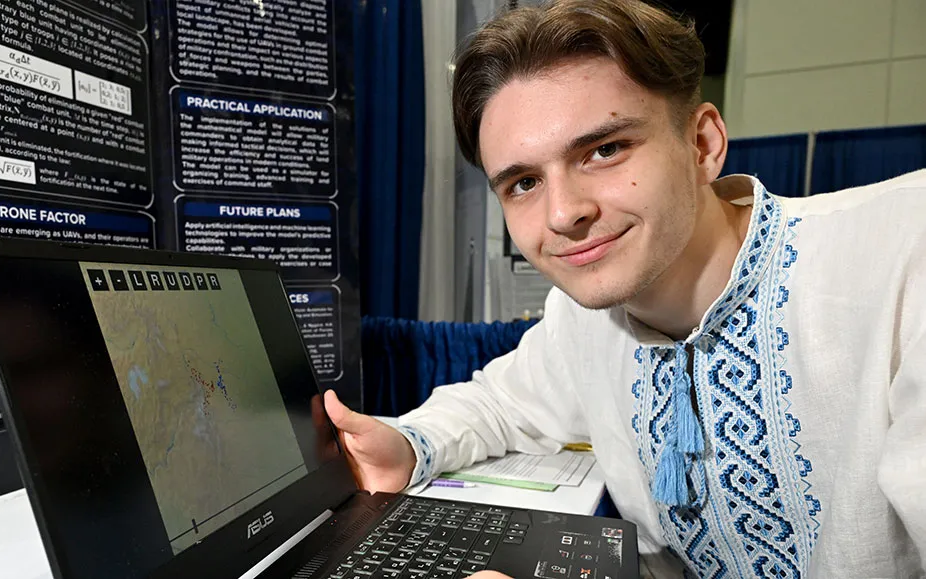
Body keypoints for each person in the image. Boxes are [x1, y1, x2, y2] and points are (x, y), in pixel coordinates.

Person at [324, 0, 926, 576]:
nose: (563, 214)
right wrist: (408, 444)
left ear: (702, 144)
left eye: (604, 150)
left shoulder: (903, 255)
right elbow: (500, 405)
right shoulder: (584, 319)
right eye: (524, 183)